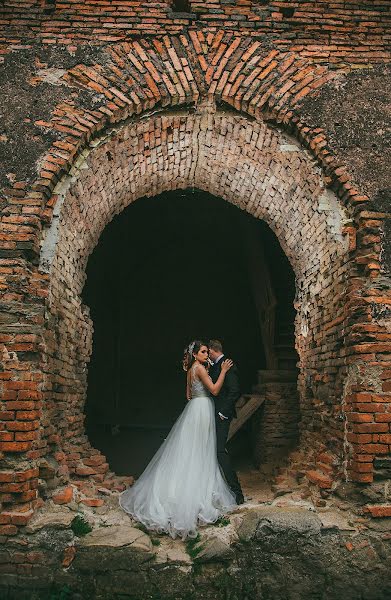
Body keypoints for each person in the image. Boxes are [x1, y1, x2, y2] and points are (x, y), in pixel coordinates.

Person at [119, 340, 237, 539]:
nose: (207, 354)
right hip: (202, 410)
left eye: (207, 351)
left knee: (189, 450)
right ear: (195, 354)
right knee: (201, 451)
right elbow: (215, 390)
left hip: (193, 409)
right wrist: (223, 371)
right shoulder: (200, 369)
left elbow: (188, 395)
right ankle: (195, 494)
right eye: (203, 351)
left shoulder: (191, 369)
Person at [208, 340, 244, 504]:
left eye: (207, 351)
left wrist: (223, 412)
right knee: (212, 450)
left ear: (212, 350)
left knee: (220, 451)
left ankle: (237, 492)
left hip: (221, 414)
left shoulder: (227, 364)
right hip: (211, 413)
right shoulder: (215, 365)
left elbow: (235, 390)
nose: (207, 355)